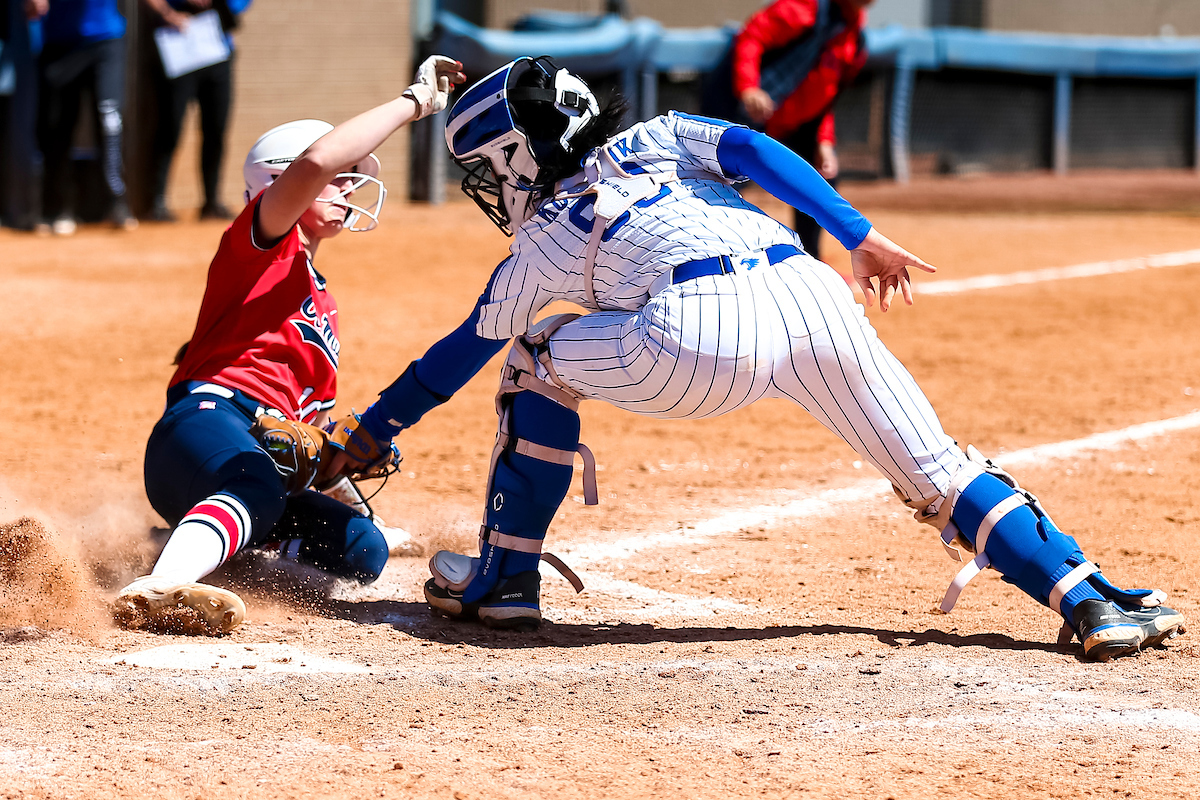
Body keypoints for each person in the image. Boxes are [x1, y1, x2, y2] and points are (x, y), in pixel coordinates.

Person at [329, 56, 1185, 662]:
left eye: (488, 170)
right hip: (809, 292)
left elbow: (454, 355)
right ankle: (1090, 599)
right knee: (939, 472)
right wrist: (859, 232)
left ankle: (503, 583)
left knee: (531, 357)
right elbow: (753, 150)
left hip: (693, 336)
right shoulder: (657, 137)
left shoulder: (545, 237)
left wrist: (368, 434)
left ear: (517, 157)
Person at [112, 55, 465, 636]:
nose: (350, 186)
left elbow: (304, 442)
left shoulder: (319, 298)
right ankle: (157, 587)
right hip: (204, 424)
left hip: (244, 467)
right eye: (341, 179)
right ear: (284, 183)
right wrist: (415, 102)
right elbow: (318, 159)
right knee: (254, 482)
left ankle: (198, 548)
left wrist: (339, 465)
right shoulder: (260, 246)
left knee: (361, 550)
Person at [728, 0, 872, 260]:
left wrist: (824, 142)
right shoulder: (806, 8)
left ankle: (811, 260)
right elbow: (751, 37)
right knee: (722, 181)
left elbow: (827, 98)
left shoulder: (856, 41)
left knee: (822, 177)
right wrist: (748, 87)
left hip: (798, 125)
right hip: (749, 111)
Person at [28, 0, 136, 234]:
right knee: (55, 125)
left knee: (109, 120)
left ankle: (117, 203)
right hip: (59, 41)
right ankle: (55, 209)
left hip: (105, 37)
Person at [140, 0, 252, 222]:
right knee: (169, 128)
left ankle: (211, 201)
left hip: (216, 47)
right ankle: (157, 202)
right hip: (177, 43)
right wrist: (168, 11)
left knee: (216, 129)